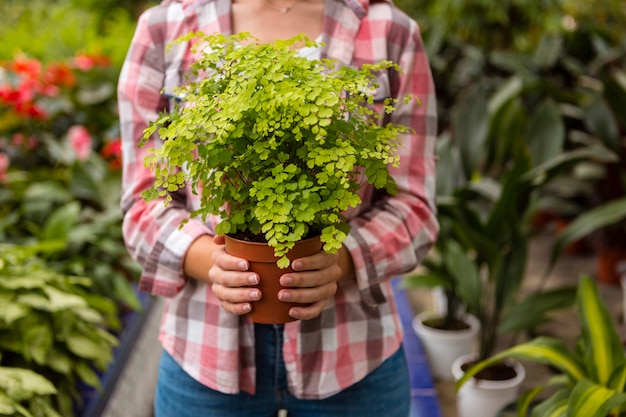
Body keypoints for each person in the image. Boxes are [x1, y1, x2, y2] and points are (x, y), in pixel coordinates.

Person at [117, 0, 438, 416]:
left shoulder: (390, 30)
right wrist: (211, 262)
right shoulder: (165, 27)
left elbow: (415, 207)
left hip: (354, 354)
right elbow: (143, 203)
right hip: (205, 354)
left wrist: (341, 260)